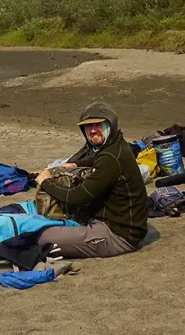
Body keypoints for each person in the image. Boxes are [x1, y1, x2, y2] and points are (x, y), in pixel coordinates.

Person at [34, 102, 148, 259]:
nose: (93, 130)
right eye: (88, 126)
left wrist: (46, 182)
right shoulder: (117, 145)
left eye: (98, 125)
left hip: (119, 236)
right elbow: (97, 158)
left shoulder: (110, 157)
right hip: (121, 226)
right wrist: (76, 164)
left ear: (110, 125)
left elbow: (77, 197)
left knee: (43, 237)